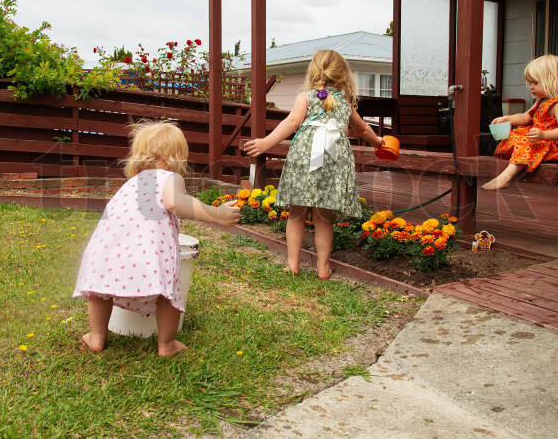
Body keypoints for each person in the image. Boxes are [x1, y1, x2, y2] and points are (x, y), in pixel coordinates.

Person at [73, 121, 240, 356]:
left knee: (100, 292)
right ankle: (167, 345)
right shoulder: (169, 178)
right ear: (178, 158)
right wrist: (217, 214)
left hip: (105, 252)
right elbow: (176, 203)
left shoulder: (130, 183)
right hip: (147, 253)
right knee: (168, 296)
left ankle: (97, 336)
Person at [244, 50, 384, 279]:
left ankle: (293, 265)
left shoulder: (305, 97)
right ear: (342, 77)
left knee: (297, 214)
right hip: (334, 161)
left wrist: (266, 143)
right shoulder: (344, 102)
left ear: (314, 72)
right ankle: (322, 268)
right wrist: (379, 142)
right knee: (323, 217)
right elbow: (363, 129)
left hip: (304, 160)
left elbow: (291, 122)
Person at [483, 54, 558, 190]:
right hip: (540, 140)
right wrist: (507, 119)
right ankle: (512, 164)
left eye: (535, 83)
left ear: (552, 80)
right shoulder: (541, 101)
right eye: (529, 83)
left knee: (527, 143)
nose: (531, 87)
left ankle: (505, 177)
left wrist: (543, 135)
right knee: (516, 135)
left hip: (557, 144)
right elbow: (525, 117)